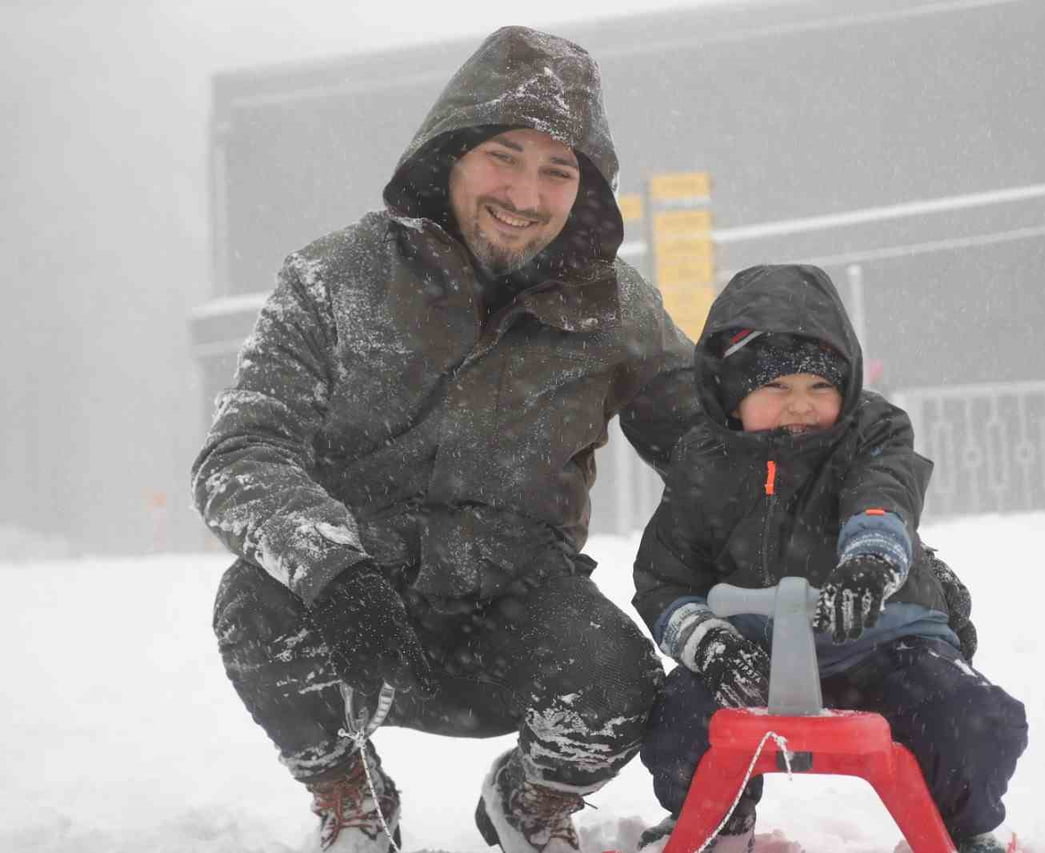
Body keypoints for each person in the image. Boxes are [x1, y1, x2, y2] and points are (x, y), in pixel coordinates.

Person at [191, 26, 699, 853]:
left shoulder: (613, 308)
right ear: (451, 153)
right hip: (355, 612)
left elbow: (714, 452)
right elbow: (240, 451)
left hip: (515, 615)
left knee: (619, 674)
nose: (526, 193)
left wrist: (852, 522)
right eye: (505, 155)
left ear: (588, 189)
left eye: (557, 170)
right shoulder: (334, 278)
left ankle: (530, 804)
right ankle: (350, 798)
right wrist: (332, 569)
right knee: (254, 606)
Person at [631, 264, 1027, 853]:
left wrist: (869, 563)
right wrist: (708, 643)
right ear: (733, 393)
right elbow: (666, 578)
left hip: (886, 641)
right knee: (680, 720)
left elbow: (882, 495)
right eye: (776, 388)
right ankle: (718, 821)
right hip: (753, 649)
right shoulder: (704, 461)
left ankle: (959, 830)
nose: (800, 406)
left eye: (820, 388)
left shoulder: (872, 433)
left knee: (970, 719)